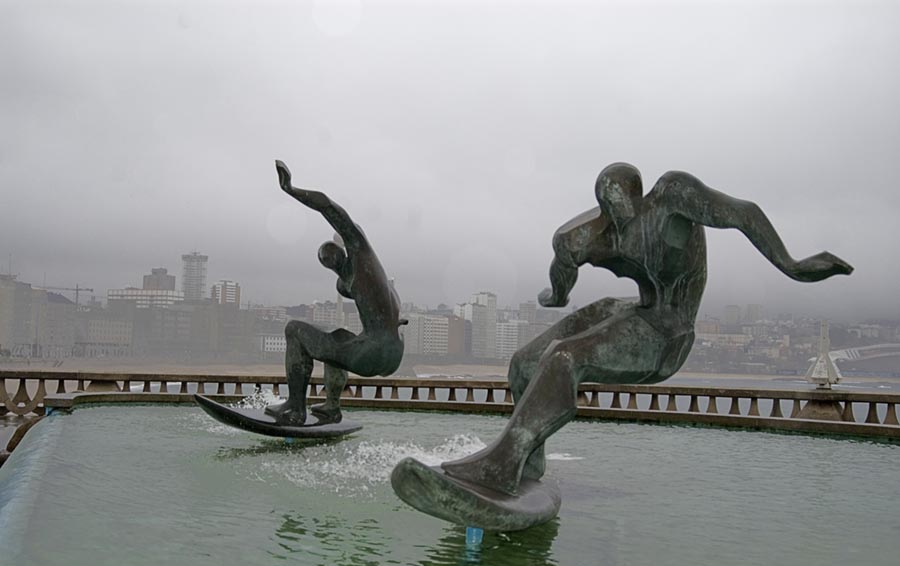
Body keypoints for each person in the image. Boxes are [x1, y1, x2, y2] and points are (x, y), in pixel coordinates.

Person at [440, 163, 852, 495]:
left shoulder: (673, 198)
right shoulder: (588, 235)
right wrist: (557, 294)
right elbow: (563, 263)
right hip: (631, 311)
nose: (615, 217)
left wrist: (792, 266)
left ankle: (502, 462)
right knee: (523, 363)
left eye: (620, 206)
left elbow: (742, 214)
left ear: (637, 198)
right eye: (607, 207)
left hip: (668, 333)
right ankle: (529, 460)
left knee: (565, 358)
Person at [265, 160, 406, 426]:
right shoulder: (378, 279)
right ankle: (331, 406)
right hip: (392, 353)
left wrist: (291, 189)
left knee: (294, 329)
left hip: (372, 353)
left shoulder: (359, 248)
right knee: (337, 339)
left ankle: (296, 408)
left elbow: (329, 206)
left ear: (342, 252)